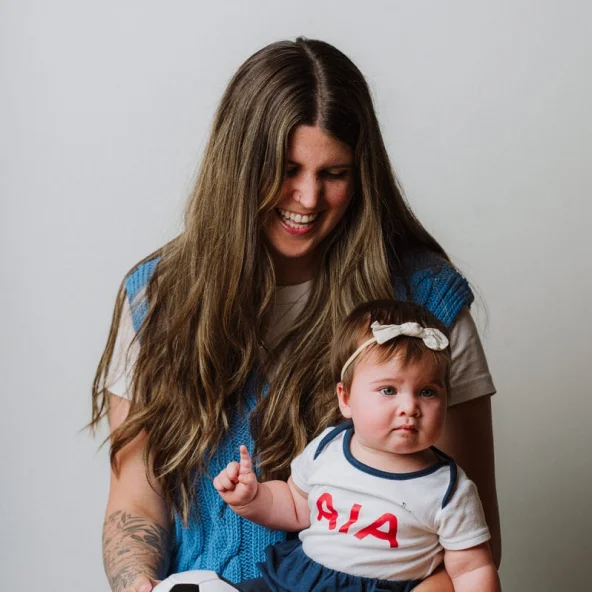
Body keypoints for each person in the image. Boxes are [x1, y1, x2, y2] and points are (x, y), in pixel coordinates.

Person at [91, 37, 500, 592]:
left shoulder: (427, 311)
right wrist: (140, 585)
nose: (308, 198)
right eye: (285, 169)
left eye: (334, 173)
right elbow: (136, 499)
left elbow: (468, 543)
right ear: (239, 167)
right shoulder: (156, 297)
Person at [212, 300, 500, 592]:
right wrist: (251, 498)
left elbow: (472, 569)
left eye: (427, 392)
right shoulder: (328, 447)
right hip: (301, 582)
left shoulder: (448, 490)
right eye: (388, 390)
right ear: (346, 398)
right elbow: (296, 507)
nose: (410, 407)